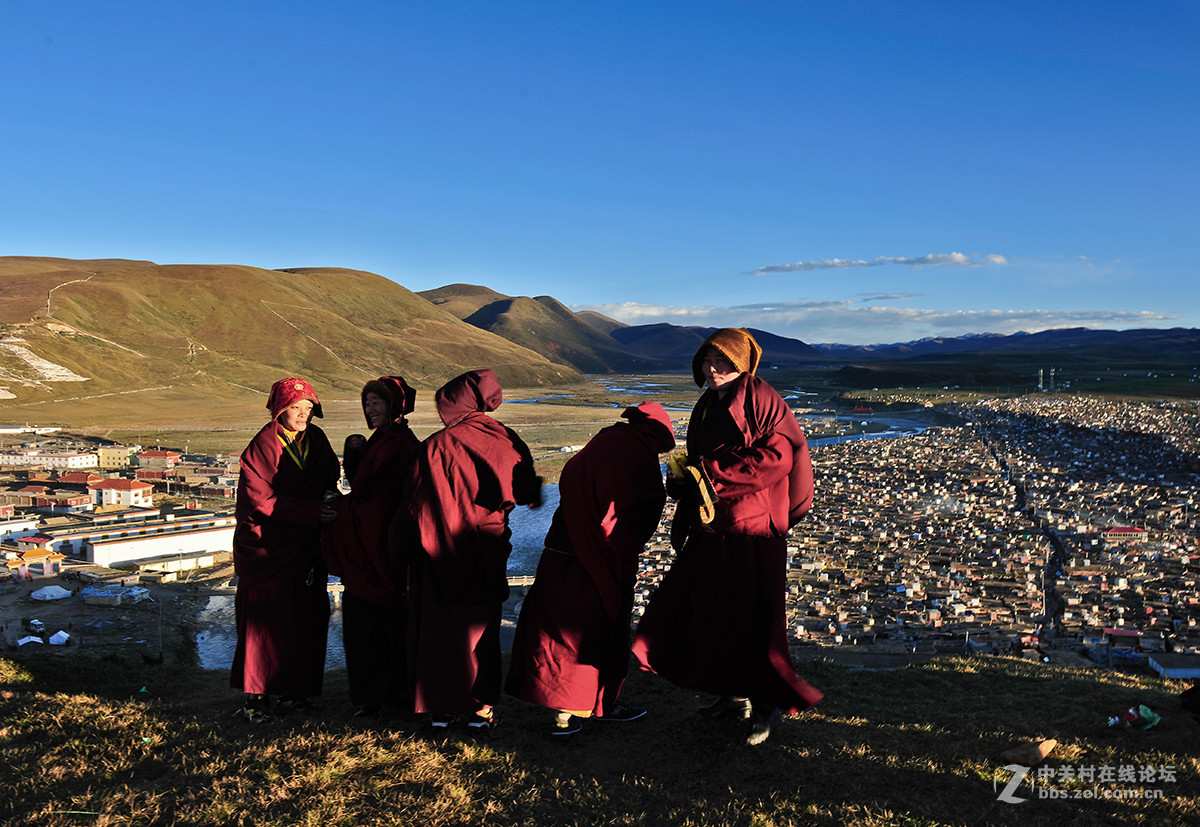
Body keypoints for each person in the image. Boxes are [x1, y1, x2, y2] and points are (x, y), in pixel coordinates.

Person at [631, 328, 823, 745]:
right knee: (712, 610)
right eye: (706, 361)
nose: (712, 369)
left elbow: (776, 457)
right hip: (714, 524)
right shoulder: (708, 403)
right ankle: (731, 695)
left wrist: (710, 476)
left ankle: (767, 705)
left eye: (721, 361)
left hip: (751, 528)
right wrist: (685, 481)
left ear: (742, 363)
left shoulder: (761, 399)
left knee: (752, 618)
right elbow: (702, 461)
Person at [506, 402, 676, 736]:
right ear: (658, 434)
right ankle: (594, 705)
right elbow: (645, 508)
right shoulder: (638, 454)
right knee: (593, 628)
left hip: (562, 547)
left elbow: (571, 481)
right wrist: (629, 543)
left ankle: (557, 708)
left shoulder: (603, 440)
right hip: (604, 554)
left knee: (555, 627)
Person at [399, 369, 541, 731]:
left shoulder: (433, 445)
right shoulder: (503, 439)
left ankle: (442, 709)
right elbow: (524, 490)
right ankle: (481, 710)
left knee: (441, 629)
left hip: (437, 550)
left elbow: (413, 502)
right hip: (484, 548)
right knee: (481, 630)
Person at [231, 377, 340, 722]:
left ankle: (296, 693)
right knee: (265, 625)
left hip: (306, 547)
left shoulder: (317, 439)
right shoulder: (262, 446)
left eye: (308, 408)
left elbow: (329, 477)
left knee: (305, 619)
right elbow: (258, 499)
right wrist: (310, 512)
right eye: (296, 407)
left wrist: (329, 499)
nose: (302, 414)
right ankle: (257, 698)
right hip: (268, 549)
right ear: (280, 409)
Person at [321, 375, 420, 718]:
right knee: (379, 627)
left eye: (377, 402)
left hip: (378, 550)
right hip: (376, 547)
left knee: (373, 628)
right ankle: (385, 694)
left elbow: (378, 500)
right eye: (367, 403)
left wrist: (340, 507)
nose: (371, 409)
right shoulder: (388, 440)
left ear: (395, 404)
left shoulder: (398, 444)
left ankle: (379, 695)